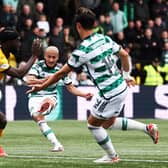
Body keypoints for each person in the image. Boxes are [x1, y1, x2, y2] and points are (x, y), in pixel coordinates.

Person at [27, 7, 159, 163]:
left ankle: (112, 157)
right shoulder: (104, 38)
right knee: (108, 122)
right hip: (121, 87)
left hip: (109, 92)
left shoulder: (82, 50)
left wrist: (41, 87)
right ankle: (147, 128)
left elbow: (59, 74)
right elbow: (124, 54)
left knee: (93, 125)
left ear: (78, 26)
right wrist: (126, 75)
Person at [25, 46, 93, 152]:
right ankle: (57, 145)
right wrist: (46, 80)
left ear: (57, 58)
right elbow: (29, 80)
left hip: (51, 95)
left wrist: (83, 95)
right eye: (49, 57)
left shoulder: (61, 70)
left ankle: (46, 106)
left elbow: (70, 87)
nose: (51, 60)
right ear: (44, 56)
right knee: (38, 118)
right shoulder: (38, 66)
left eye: (54, 57)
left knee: (47, 103)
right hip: (35, 96)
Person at [0, 27, 42, 156]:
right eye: (17, 41)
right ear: (8, 42)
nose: (19, 44)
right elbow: (19, 73)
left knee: (1, 120)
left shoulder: (7, 54)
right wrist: (34, 56)